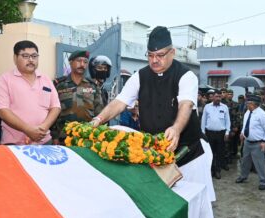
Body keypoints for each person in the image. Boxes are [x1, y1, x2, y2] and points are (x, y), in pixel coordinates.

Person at [90, 26, 215, 202]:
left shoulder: (186, 76)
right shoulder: (140, 76)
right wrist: (98, 119)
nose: (154, 60)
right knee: (163, 204)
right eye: (150, 55)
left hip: (189, 156)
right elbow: (120, 102)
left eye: (160, 55)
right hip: (156, 156)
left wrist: (176, 128)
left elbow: (186, 105)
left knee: (191, 206)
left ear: (173, 52)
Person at [0, 40, 61, 145]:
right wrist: (28, 130)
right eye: (25, 56)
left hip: (44, 142)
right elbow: (2, 111)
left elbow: (55, 107)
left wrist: (42, 129)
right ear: (15, 58)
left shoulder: (46, 79)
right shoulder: (4, 80)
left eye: (34, 56)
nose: (31, 60)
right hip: (14, 144)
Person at [52, 50, 103, 144]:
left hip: (88, 137)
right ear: (71, 63)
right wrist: (55, 137)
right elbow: (52, 112)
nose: (82, 64)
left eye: (85, 62)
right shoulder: (59, 85)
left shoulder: (93, 86)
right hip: (64, 137)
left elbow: (99, 112)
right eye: (79, 61)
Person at [236, 95, 265, 190]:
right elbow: (245, 125)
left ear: (254, 104)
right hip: (247, 142)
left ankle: (263, 181)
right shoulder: (248, 112)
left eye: (249, 103)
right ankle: (243, 176)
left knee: (259, 163)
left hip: (258, 143)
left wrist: (264, 141)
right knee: (245, 161)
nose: (247, 104)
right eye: (247, 103)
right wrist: (242, 133)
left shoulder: (263, 115)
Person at [201, 90, 231, 179]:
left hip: (221, 134)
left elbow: (227, 121)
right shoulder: (207, 106)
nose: (218, 98)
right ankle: (210, 170)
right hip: (209, 133)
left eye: (219, 97)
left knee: (219, 153)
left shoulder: (225, 107)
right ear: (212, 97)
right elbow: (203, 120)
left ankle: (217, 170)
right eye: (216, 96)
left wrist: (227, 132)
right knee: (210, 153)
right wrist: (203, 132)